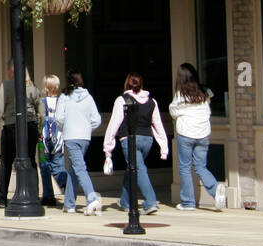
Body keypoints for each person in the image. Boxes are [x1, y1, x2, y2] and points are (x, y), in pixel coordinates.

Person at [103, 72, 168, 214]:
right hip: (147, 140)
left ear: (127, 84)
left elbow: (114, 124)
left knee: (138, 169)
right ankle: (125, 201)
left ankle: (150, 202)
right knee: (132, 169)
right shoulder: (152, 102)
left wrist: (108, 147)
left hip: (129, 139)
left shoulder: (122, 100)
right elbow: (158, 125)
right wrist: (164, 147)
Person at [169, 62, 226, 212]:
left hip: (186, 133)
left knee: (185, 168)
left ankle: (188, 202)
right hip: (203, 133)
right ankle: (215, 189)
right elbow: (209, 103)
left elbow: (173, 111)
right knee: (201, 166)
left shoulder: (180, 95)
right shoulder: (204, 92)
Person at [0, 61, 42, 205]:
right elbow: (41, 113)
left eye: (8, 69)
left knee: (6, 163)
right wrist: (39, 129)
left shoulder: (7, 86)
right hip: (30, 127)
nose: (7, 72)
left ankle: (1, 198)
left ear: (12, 71)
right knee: (31, 161)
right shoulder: (33, 88)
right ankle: (34, 195)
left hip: (11, 127)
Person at [55, 69, 103, 215]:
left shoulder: (64, 96)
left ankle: (91, 197)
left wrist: (64, 128)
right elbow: (97, 120)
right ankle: (69, 204)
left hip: (71, 137)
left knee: (79, 168)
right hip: (85, 138)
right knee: (75, 169)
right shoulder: (88, 97)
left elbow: (59, 118)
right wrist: (87, 128)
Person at [38, 75, 67, 207]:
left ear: (46, 87)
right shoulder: (63, 101)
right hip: (59, 141)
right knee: (58, 167)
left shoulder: (41, 101)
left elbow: (39, 119)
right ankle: (66, 186)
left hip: (43, 141)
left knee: (45, 169)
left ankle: (48, 197)